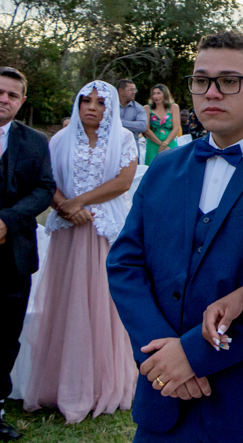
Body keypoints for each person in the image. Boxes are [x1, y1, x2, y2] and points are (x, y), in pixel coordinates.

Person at [107, 30, 243, 443]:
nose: (211, 92)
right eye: (200, 80)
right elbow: (125, 264)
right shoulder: (165, 170)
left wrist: (194, 355)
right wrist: (162, 355)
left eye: (228, 80)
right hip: (165, 395)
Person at [21, 81, 139, 424]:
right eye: (85, 100)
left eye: (101, 102)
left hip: (103, 231)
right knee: (66, 303)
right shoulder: (58, 140)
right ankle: (60, 385)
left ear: (111, 107)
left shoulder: (123, 139)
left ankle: (103, 383)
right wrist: (65, 207)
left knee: (101, 303)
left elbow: (123, 182)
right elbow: (47, 182)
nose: (91, 107)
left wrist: (81, 202)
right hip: (69, 233)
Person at [0, 67, 56, 441]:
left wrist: (8, 220)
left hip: (13, 256)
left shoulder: (35, 142)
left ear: (21, 102)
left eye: (12, 95)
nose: (4, 99)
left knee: (4, 336)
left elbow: (44, 188)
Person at [143, 84, 181, 166]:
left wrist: (165, 144)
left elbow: (176, 128)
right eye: (154, 94)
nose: (155, 96)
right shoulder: (147, 108)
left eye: (158, 93)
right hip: (153, 145)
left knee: (171, 169)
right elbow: (147, 130)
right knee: (153, 170)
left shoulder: (174, 107)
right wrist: (161, 145)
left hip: (170, 143)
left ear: (165, 94)